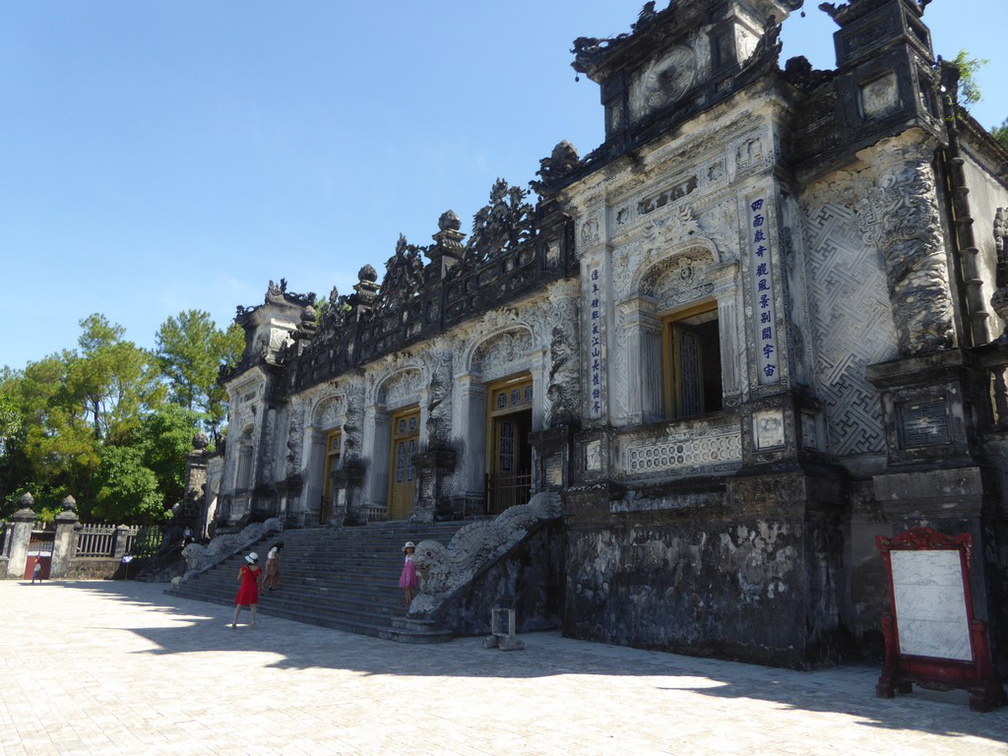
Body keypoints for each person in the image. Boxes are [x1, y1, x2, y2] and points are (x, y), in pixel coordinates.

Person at [232, 552, 262, 629]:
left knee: (239, 605)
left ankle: (234, 622)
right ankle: (253, 622)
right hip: (253, 588)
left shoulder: (243, 568)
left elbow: (238, 578)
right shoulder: (258, 569)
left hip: (244, 588)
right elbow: (259, 580)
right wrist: (260, 588)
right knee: (253, 606)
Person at [399, 541, 420, 606]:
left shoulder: (414, 556)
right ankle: (407, 600)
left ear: (413, 549)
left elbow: (416, 564)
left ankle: (410, 601)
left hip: (411, 572)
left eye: (411, 548)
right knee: (405, 587)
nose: (409, 549)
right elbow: (405, 565)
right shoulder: (407, 556)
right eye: (408, 548)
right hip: (405, 572)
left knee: (408, 586)